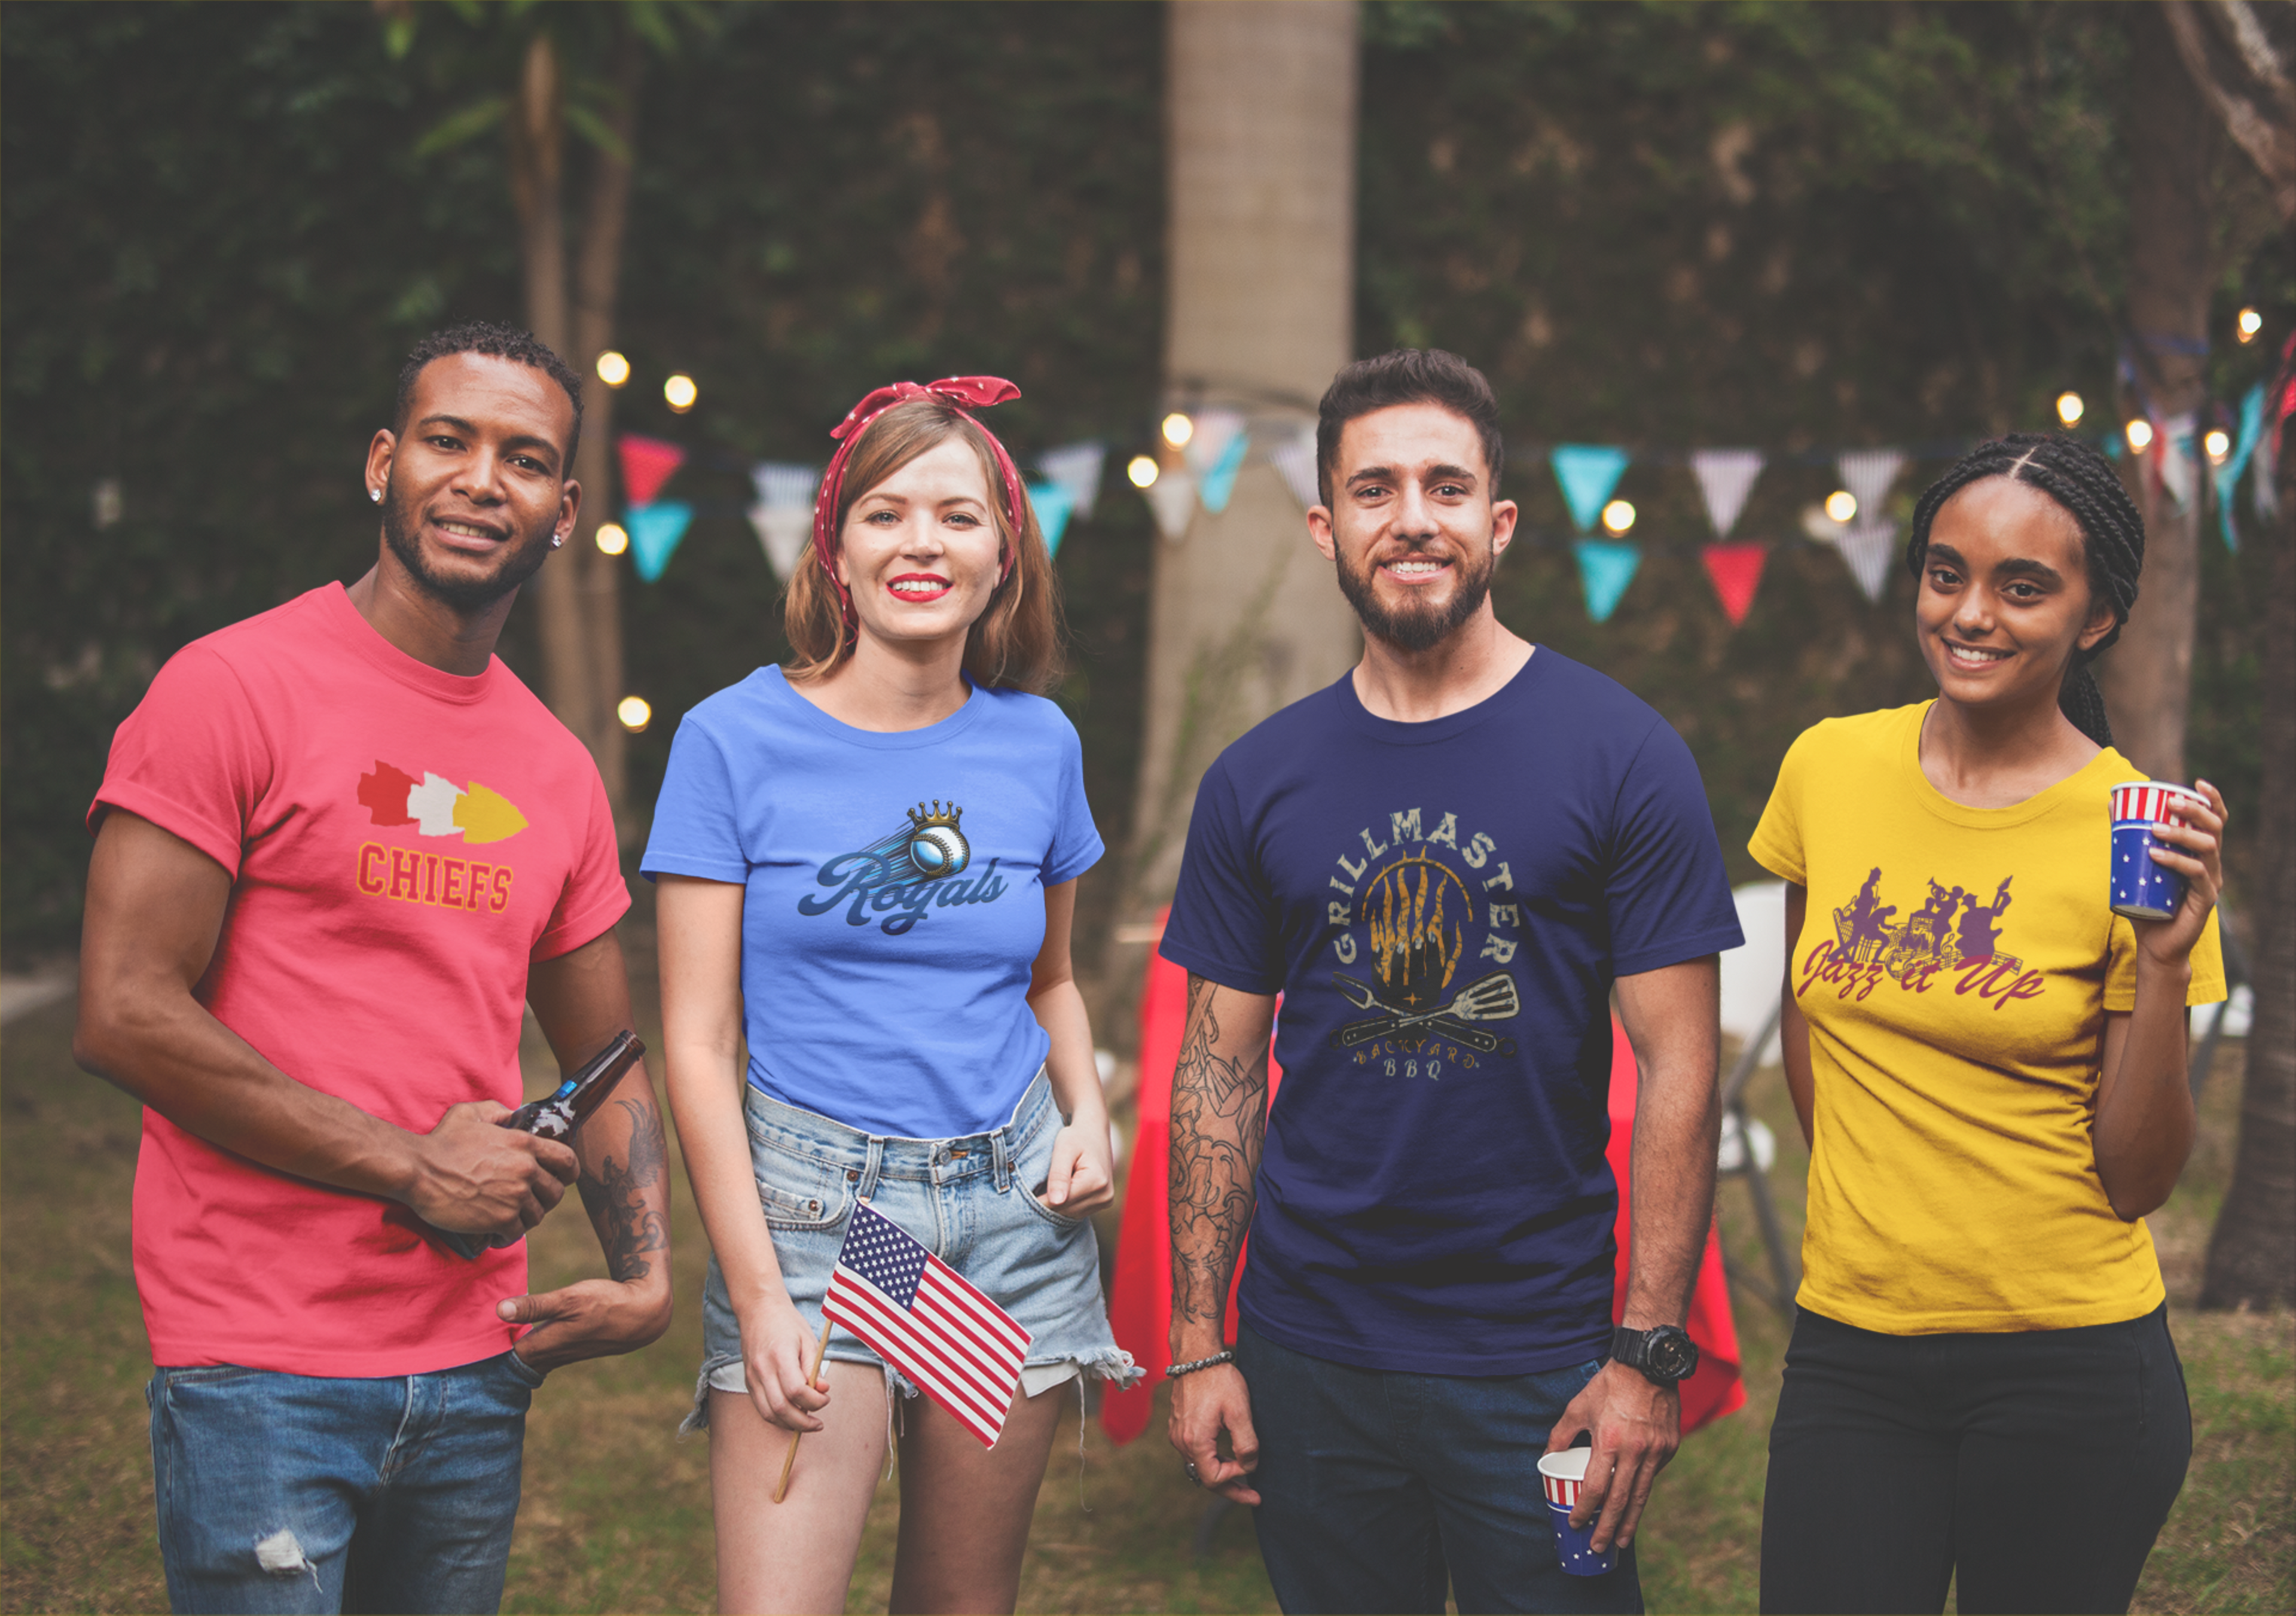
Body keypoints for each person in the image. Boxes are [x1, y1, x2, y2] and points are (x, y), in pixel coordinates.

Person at [74, 321, 676, 1615]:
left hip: (473, 1364)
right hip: (259, 1362)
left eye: (524, 459)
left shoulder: (557, 767)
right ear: (383, 462)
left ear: (564, 512)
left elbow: (609, 1055)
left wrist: (647, 1270)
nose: (479, 480)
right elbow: (124, 1011)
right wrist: (412, 1163)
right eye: (448, 441)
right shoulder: (232, 686)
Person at [1159, 349, 1744, 1615]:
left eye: (1444, 486)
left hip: (1539, 1351)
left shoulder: (1623, 754)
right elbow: (1215, 1067)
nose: (1412, 518)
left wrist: (1646, 1352)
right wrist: (1201, 1338)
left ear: (1500, 521)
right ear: (1325, 527)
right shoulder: (1257, 780)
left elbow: (1681, 1067)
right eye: (1374, 490)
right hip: (1311, 1349)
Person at [646, 376, 1139, 1615]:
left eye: (958, 517)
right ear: (837, 546)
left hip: (1012, 1223)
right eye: (886, 512)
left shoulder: (1041, 746)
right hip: (821, 1225)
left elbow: (1054, 979)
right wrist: (756, 1290)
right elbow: (698, 1047)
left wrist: (1090, 1113)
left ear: (1003, 555)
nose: (922, 541)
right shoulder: (729, 739)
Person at [1751, 433, 2226, 1615]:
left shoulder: (2136, 832)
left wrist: (2163, 969)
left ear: (2097, 618)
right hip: (1852, 1347)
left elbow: (2142, 1176)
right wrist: (1875, 1200)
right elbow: (1811, 1014)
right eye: (1946, 572)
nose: (1971, 613)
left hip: (2068, 1359)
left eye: (2024, 586)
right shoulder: (1829, 767)